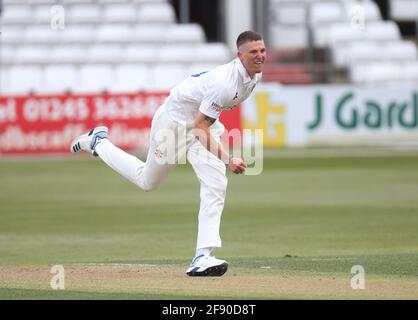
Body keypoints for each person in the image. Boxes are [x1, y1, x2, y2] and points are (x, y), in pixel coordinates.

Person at [70, 30, 266, 277]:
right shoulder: (224, 84)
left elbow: (203, 124)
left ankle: (202, 257)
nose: (260, 56)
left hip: (200, 124)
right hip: (173, 125)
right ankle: (98, 143)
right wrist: (228, 159)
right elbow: (199, 128)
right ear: (240, 55)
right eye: (253, 52)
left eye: (262, 51)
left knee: (216, 183)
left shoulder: (253, 76)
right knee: (147, 181)